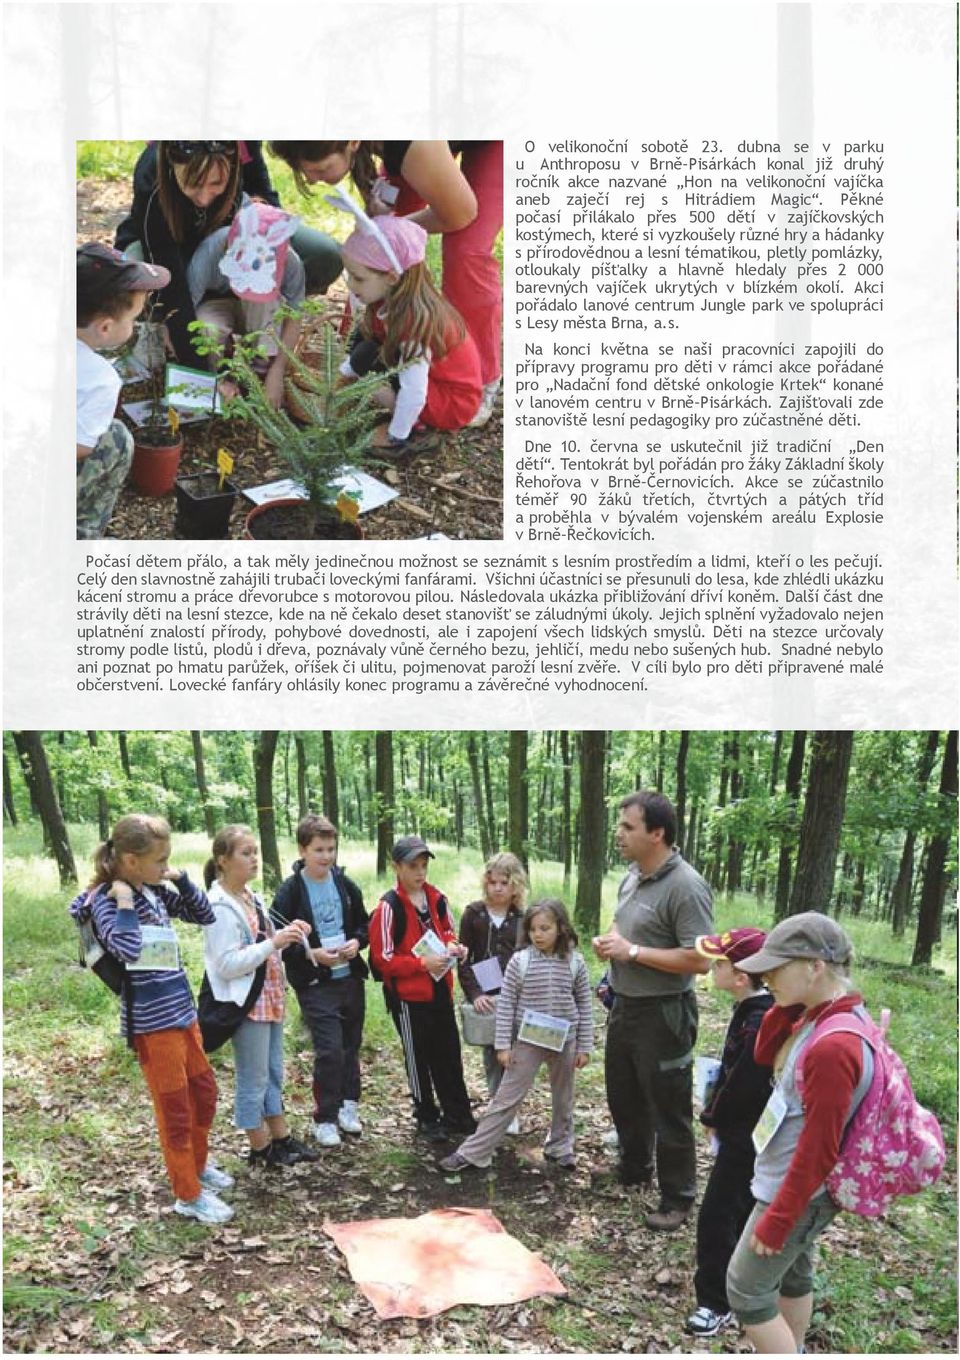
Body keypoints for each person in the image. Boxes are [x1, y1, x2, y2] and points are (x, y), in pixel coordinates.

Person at [67, 814, 232, 1225]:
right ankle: (187, 1194)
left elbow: (203, 915)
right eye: (160, 859)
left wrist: (180, 879)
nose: (165, 865)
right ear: (130, 859)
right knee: (175, 1109)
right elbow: (125, 945)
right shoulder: (107, 899)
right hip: (152, 1024)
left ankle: (196, 1164)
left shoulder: (154, 889)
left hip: (182, 1012)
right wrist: (124, 900)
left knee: (204, 1093)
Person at [268, 140, 502, 424]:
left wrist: (392, 231)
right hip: (418, 142)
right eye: (305, 172)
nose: (312, 179)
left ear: (351, 142)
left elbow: (458, 215)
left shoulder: (414, 143)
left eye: (320, 169)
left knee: (465, 252)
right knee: (376, 245)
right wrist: (381, 227)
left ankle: (480, 379)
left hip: (487, 137)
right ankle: (379, 338)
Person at [725, 913, 871, 1355]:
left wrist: (780, 1218)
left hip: (797, 1190)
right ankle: (796, 1345)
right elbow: (763, 1052)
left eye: (776, 967)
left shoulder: (834, 1045)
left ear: (816, 966)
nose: (766, 977)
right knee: (793, 1275)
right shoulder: (818, 1014)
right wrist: (785, 1004)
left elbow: (820, 1147)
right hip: (792, 1183)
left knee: (745, 1289)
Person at [592, 790, 713, 1230]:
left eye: (629, 826)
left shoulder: (686, 886)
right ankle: (635, 1169)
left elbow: (700, 960)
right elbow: (622, 927)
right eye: (620, 825)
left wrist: (634, 951)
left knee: (669, 1106)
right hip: (624, 1005)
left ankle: (678, 1197)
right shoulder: (631, 875)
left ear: (657, 833)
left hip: (665, 1013)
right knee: (624, 1095)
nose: (619, 834)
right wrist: (611, 945)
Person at [113, 141, 340, 365]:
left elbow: (260, 186)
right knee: (142, 270)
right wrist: (198, 364)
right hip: (170, 250)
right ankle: (161, 325)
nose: (203, 198)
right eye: (193, 184)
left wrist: (261, 225)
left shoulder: (241, 142)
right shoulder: (151, 177)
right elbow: (168, 270)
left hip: (234, 239)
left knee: (323, 253)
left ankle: (256, 307)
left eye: (216, 183)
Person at [440, 898, 594, 1173]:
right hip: (528, 1040)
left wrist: (584, 1045)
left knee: (564, 1097)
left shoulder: (576, 962)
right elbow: (507, 1004)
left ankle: (561, 1146)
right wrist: (502, 1044)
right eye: (533, 929)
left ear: (560, 927)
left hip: (565, 1040)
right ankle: (476, 1151)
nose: (538, 934)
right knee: (506, 1097)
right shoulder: (519, 962)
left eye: (545, 928)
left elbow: (584, 1004)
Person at [201, 825, 318, 1169]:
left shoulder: (250, 895)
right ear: (223, 860)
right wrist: (273, 943)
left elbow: (265, 941)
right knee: (253, 1077)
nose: (254, 859)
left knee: (272, 1072)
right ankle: (259, 1148)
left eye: (255, 852)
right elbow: (225, 964)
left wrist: (287, 934)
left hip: (268, 996)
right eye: (245, 853)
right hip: (245, 1003)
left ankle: (280, 1139)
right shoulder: (219, 906)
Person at [684, 927, 774, 1338]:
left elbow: (744, 1085)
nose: (712, 968)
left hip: (746, 1137)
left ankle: (715, 1303)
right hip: (743, 1134)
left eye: (720, 963)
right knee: (735, 1209)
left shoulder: (759, 1021)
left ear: (740, 976)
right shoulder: (752, 1009)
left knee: (719, 1215)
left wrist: (712, 1117)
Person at [337, 213, 482, 451]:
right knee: (365, 348)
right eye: (349, 275)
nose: (351, 286)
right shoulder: (387, 299)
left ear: (392, 277)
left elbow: (415, 390)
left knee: (371, 366)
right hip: (430, 382)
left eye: (358, 278)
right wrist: (342, 377)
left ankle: (414, 428)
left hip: (449, 401)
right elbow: (366, 342)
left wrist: (396, 435)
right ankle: (351, 391)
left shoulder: (414, 324)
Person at [368, 836, 476, 1142]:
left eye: (424, 865)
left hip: (441, 989)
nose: (420, 873)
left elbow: (448, 931)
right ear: (396, 867)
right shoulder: (389, 907)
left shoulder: (437, 898)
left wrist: (455, 948)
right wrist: (421, 964)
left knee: (449, 1053)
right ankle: (426, 1115)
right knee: (418, 1057)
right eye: (413, 866)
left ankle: (458, 1113)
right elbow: (383, 958)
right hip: (408, 997)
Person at [271, 815, 369, 1148]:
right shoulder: (291, 891)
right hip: (316, 983)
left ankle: (348, 1106)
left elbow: (363, 925)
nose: (326, 856)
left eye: (331, 849)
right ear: (302, 850)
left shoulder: (344, 884)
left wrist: (357, 943)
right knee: (329, 1049)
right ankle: (324, 1117)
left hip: (349, 978)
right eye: (319, 850)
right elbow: (278, 938)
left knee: (350, 1045)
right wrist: (313, 953)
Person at [76, 243, 170, 538]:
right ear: (105, 327)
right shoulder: (101, 378)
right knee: (116, 438)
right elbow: (76, 447)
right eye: (133, 319)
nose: (137, 324)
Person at [186, 201, 304, 409]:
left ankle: (259, 372)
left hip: (261, 312)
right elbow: (185, 312)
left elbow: (294, 317)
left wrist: (277, 371)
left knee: (268, 305)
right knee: (206, 327)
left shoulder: (291, 263)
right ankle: (216, 374)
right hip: (217, 305)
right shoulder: (209, 253)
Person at [457, 851, 527, 1119]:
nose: (497, 888)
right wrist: (474, 993)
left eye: (504, 883)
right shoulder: (473, 914)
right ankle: (498, 1105)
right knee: (493, 1053)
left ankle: (512, 1109)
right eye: (492, 882)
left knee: (515, 1053)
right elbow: (463, 959)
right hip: (485, 996)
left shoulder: (523, 918)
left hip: (515, 996)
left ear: (515, 885)